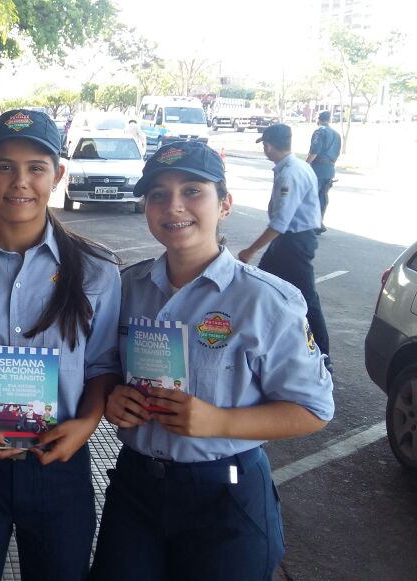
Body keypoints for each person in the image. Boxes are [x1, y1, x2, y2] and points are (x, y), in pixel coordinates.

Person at [92, 140, 334, 581]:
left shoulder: (267, 301)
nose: (174, 206)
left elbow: (313, 410)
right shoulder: (126, 287)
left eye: (192, 191)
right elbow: (104, 365)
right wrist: (112, 396)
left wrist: (219, 421)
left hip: (226, 495)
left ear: (225, 204)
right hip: (136, 489)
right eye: (159, 194)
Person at [0, 109, 122, 581]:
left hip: (59, 462)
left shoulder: (97, 269)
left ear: (57, 175)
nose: (20, 182)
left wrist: (86, 425)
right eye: (5, 166)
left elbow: (102, 364)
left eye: (36, 168)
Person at [238, 124, 332, 373]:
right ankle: (261, 339)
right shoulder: (300, 166)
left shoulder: (289, 174)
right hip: (291, 241)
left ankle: (323, 356)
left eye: (264, 145)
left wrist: (250, 250)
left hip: (294, 243)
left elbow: (280, 223)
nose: (264, 149)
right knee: (261, 287)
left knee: (306, 299)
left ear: (268, 146)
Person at [306, 110, 341, 233]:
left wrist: (306, 165)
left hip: (318, 168)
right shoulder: (337, 134)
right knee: (323, 196)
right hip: (330, 169)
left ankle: (312, 223)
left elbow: (314, 151)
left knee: (312, 196)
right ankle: (319, 221)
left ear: (318, 119)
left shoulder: (319, 132)